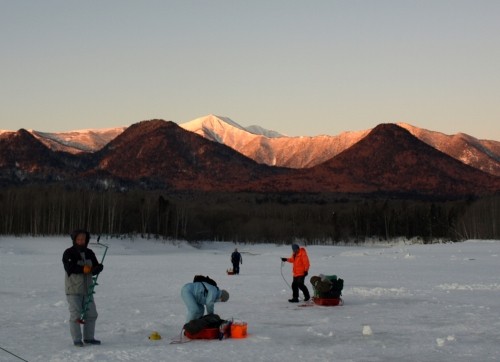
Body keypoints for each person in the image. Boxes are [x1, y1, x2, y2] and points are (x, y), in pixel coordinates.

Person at [62, 229, 104, 347]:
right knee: (75, 315)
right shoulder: (68, 253)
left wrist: (98, 268)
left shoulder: (90, 253)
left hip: (88, 290)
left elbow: (94, 267)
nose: (81, 241)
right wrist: (83, 269)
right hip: (74, 290)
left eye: (83, 239)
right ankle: (77, 340)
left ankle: (89, 338)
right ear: (74, 240)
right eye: (79, 239)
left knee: (92, 314)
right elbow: (69, 268)